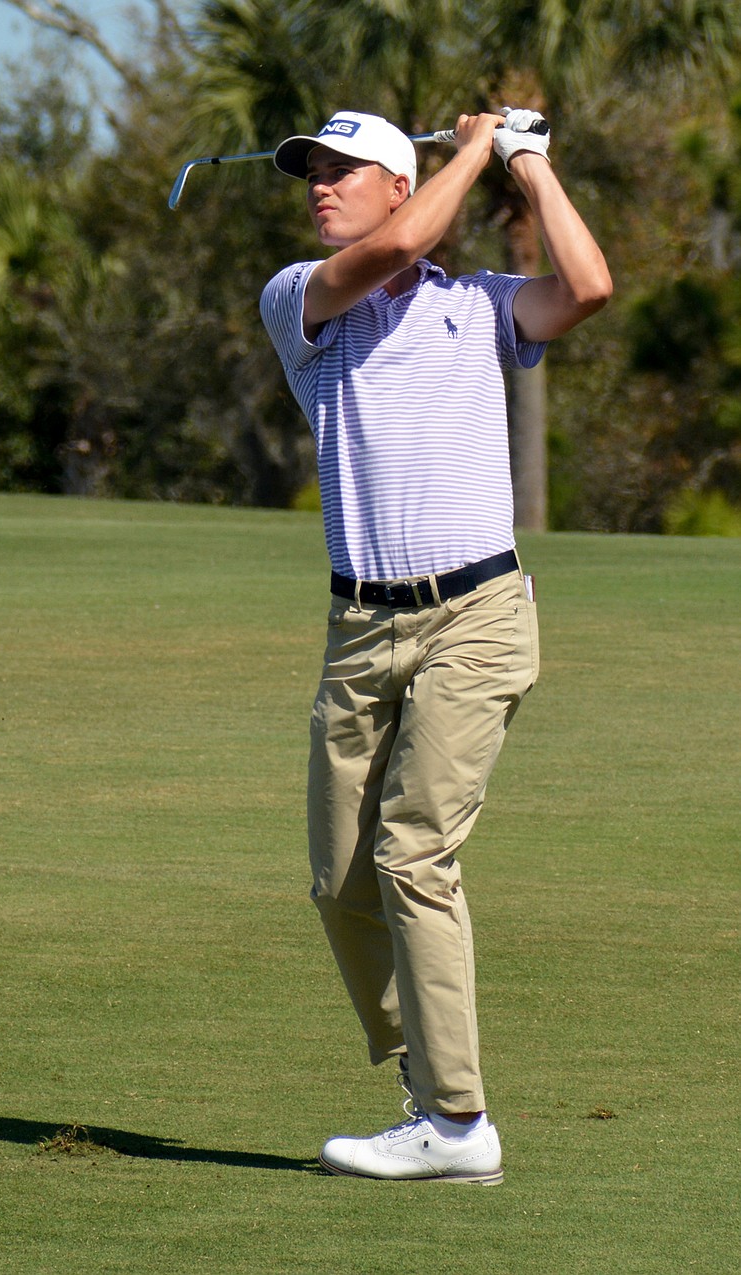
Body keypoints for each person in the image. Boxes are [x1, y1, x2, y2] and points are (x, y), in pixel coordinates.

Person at [259, 108, 612, 1182]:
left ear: (397, 177)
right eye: (310, 171)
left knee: (412, 847)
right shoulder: (297, 298)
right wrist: (474, 147)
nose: (318, 186)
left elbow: (589, 287)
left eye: (341, 170)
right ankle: (428, 1075)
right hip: (359, 626)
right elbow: (398, 248)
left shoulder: (484, 308)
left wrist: (526, 160)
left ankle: (454, 1122)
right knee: (339, 878)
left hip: (479, 615)